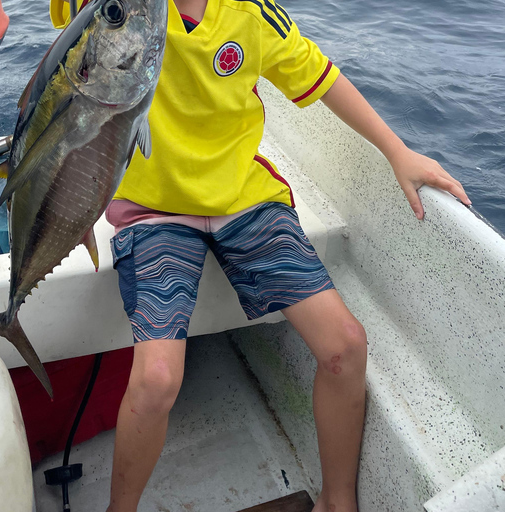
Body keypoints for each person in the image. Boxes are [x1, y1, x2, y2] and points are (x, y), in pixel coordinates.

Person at [51, 0, 471, 510]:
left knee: (346, 345)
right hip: (151, 210)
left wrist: (397, 150)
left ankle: (338, 501)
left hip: (242, 199)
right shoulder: (116, 7)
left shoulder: (253, 12)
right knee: (157, 378)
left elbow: (321, 75)